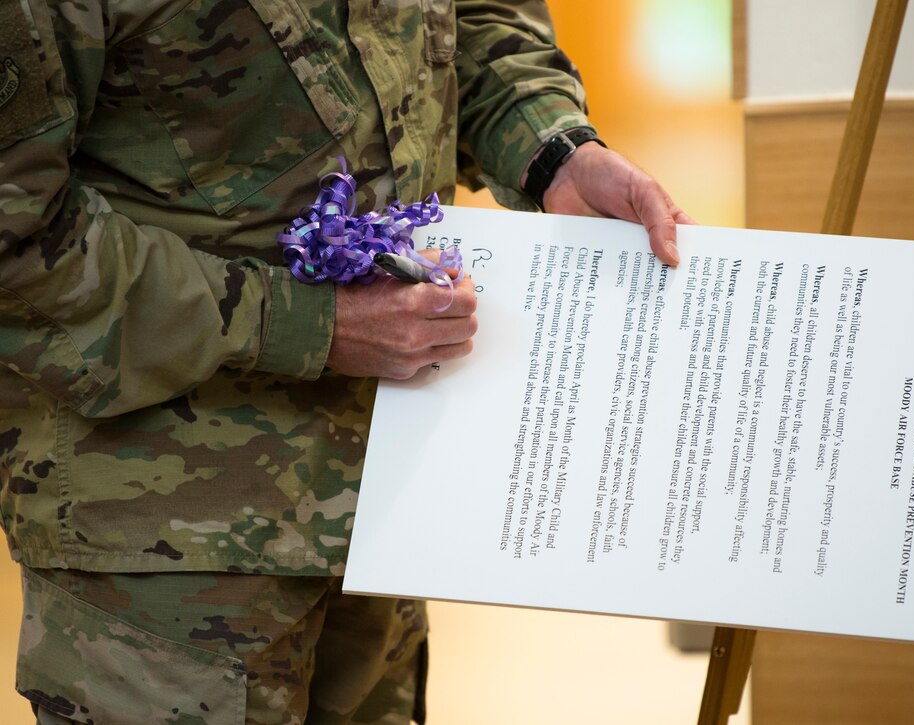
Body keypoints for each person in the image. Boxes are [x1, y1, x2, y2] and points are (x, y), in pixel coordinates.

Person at [0, 2, 692, 723]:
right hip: (166, 550)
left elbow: (479, 18)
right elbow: (15, 239)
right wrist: (312, 325)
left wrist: (552, 149)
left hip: (385, 491)